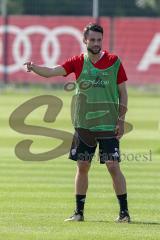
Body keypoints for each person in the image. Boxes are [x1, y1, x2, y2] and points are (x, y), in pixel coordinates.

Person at [24, 23, 131, 223]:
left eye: (99, 40)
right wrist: (34, 67)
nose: (96, 43)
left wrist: (121, 120)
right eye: (92, 40)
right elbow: (53, 71)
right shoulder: (78, 61)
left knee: (113, 166)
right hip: (83, 126)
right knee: (82, 166)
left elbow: (123, 93)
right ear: (85, 40)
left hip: (108, 126)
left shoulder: (114, 61)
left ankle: (124, 213)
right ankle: (79, 212)